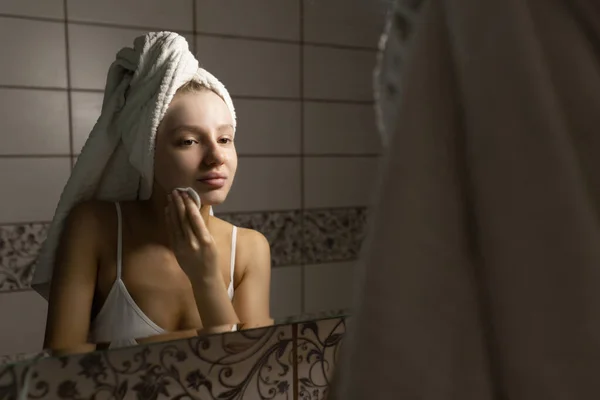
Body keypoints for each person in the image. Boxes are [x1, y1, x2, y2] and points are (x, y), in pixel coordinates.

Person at [37, 33, 272, 351]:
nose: (216, 157)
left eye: (225, 139)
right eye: (189, 140)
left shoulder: (249, 249)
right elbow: (62, 367)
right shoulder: (96, 227)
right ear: (146, 151)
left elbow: (248, 372)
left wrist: (205, 278)